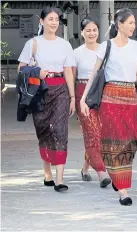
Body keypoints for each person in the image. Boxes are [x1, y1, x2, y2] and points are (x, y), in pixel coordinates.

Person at [80, 8, 137, 206]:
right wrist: (83, 99)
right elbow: (94, 75)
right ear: (119, 24)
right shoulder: (106, 46)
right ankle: (123, 189)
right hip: (110, 98)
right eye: (130, 23)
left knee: (130, 141)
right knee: (112, 143)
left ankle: (119, 178)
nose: (133, 26)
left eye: (135, 23)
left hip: (130, 98)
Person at [18, 7, 76, 192]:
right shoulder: (33, 43)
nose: (54, 22)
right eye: (50, 19)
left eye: (57, 19)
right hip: (39, 90)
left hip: (60, 90)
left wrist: (73, 96)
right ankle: (47, 173)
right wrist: (38, 72)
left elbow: (68, 70)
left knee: (60, 131)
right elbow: (21, 69)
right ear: (41, 21)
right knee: (44, 131)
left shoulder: (64, 45)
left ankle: (59, 179)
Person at [72, 17, 111, 187]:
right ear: (82, 33)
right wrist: (73, 100)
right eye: (88, 30)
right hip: (83, 94)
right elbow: (72, 78)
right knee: (93, 132)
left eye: (94, 29)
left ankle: (85, 168)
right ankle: (102, 172)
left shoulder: (104, 50)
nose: (92, 33)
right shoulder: (76, 53)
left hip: (102, 92)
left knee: (100, 134)